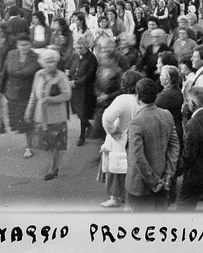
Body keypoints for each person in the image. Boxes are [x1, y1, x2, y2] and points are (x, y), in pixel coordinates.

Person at [125, 77, 180, 211]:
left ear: (138, 97)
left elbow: (138, 156)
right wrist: (168, 174)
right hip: (163, 178)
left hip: (141, 185)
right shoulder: (166, 115)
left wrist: (153, 181)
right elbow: (175, 146)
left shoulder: (136, 122)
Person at [24, 48, 72, 181]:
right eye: (46, 61)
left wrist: (51, 99)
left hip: (57, 116)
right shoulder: (38, 75)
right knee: (46, 144)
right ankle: (53, 163)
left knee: (56, 143)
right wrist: (29, 110)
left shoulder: (61, 76)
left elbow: (67, 95)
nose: (49, 64)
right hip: (41, 115)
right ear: (42, 62)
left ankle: (53, 167)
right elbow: (34, 94)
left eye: (52, 61)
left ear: (56, 61)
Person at [100, 71, 141, 208]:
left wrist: (112, 131)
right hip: (135, 138)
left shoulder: (122, 99)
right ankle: (125, 197)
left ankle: (115, 197)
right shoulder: (141, 99)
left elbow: (107, 118)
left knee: (116, 170)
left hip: (120, 138)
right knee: (130, 170)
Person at [0, 33, 41, 159]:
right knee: (18, 121)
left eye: (26, 45)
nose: (24, 47)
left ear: (31, 44)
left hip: (28, 94)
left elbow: (40, 76)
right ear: (17, 45)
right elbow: (4, 74)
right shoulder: (11, 55)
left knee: (27, 120)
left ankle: (29, 147)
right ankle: (33, 134)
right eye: (21, 45)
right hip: (12, 94)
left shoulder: (36, 57)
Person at [155, 65, 184, 204]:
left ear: (167, 79)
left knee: (168, 162)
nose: (159, 77)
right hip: (176, 127)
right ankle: (171, 193)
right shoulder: (175, 91)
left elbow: (153, 106)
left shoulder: (166, 95)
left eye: (161, 76)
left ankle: (168, 196)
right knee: (173, 162)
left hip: (170, 131)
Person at [70, 35, 98, 147]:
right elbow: (70, 67)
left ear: (86, 47)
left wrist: (77, 83)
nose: (78, 50)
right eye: (76, 48)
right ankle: (90, 127)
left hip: (86, 89)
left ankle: (82, 136)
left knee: (83, 112)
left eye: (80, 47)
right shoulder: (75, 56)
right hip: (75, 88)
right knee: (77, 110)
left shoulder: (91, 58)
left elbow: (90, 75)